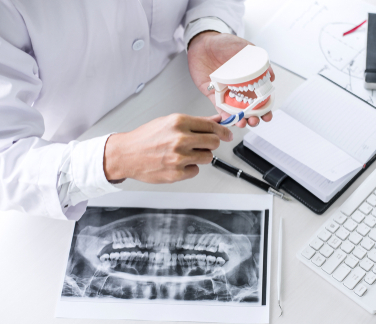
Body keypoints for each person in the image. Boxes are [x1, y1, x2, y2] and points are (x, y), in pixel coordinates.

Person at [0, 1, 274, 220]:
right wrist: (116, 158)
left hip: (182, 88)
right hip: (76, 163)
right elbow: (5, 163)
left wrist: (206, 31)